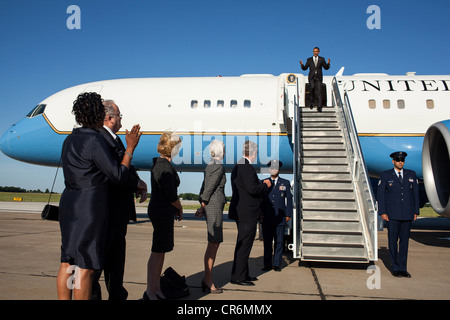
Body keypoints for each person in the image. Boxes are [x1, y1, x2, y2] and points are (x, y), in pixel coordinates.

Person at [56, 92, 142, 300]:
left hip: (69, 202)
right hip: (89, 205)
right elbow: (118, 175)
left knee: (67, 262)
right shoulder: (94, 140)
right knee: (86, 266)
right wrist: (129, 149)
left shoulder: (70, 139)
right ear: (99, 115)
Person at [91, 100, 148, 300]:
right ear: (109, 118)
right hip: (107, 213)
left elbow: (125, 168)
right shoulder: (100, 139)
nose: (121, 119)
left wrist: (139, 182)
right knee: (98, 266)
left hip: (117, 215)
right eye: (119, 115)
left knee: (116, 267)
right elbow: (114, 173)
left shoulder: (113, 139)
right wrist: (131, 148)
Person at [144, 132, 183, 300]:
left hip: (160, 210)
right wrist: (179, 207)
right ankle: (151, 291)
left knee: (160, 252)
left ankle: (156, 288)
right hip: (161, 210)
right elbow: (171, 195)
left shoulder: (159, 163)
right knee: (157, 251)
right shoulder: (164, 166)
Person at [229, 140, 271, 286]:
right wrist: (265, 185)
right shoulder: (247, 167)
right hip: (247, 213)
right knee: (244, 245)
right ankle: (238, 277)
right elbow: (252, 189)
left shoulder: (238, 166)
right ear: (253, 153)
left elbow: (245, 187)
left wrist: (258, 184)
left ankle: (242, 273)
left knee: (243, 244)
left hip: (241, 211)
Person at [377, 151, 419, 278]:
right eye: (398, 160)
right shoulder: (385, 175)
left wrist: (416, 211)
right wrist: (383, 212)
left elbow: (415, 195)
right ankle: (395, 268)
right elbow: (381, 195)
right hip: (392, 214)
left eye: (402, 160)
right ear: (393, 161)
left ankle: (403, 268)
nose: (400, 162)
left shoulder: (411, 174)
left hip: (407, 214)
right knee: (393, 241)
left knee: (404, 242)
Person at [195, 140, 227, 294]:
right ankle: (208, 280)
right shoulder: (218, 166)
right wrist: (202, 206)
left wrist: (201, 205)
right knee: (213, 243)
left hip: (211, 206)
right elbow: (208, 189)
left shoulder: (210, 165)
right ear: (220, 151)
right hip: (213, 207)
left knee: (213, 243)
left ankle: (207, 279)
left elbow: (204, 188)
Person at [261, 160, 293, 272]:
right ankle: (267, 264)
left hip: (280, 218)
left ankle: (277, 264)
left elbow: (289, 199)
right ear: (269, 170)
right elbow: (260, 200)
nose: (274, 170)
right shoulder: (263, 182)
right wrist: (260, 214)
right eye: (272, 168)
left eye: (276, 168)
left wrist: (288, 214)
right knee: (267, 243)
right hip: (267, 217)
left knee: (279, 242)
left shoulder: (285, 183)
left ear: (278, 169)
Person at [300, 47, 330, 112]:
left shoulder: (322, 59)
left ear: (318, 52)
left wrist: (328, 64)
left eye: (316, 51)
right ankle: (311, 102)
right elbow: (305, 68)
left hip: (318, 77)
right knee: (312, 88)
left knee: (319, 91)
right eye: (314, 51)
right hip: (311, 77)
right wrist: (302, 65)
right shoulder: (309, 60)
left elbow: (326, 68)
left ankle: (319, 106)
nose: (315, 52)